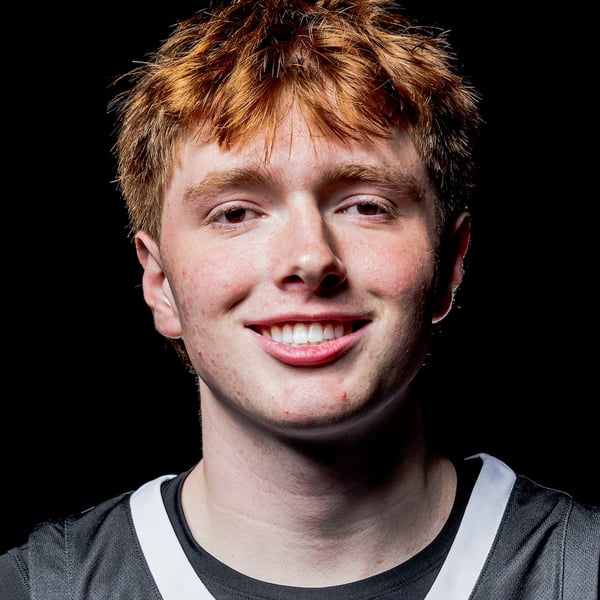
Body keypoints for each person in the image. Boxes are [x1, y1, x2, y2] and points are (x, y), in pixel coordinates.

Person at [2, 0, 599, 597]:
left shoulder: (578, 572)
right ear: (159, 283)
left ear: (450, 264)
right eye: (236, 213)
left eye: (366, 206)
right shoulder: (41, 587)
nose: (311, 260)